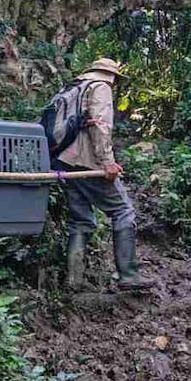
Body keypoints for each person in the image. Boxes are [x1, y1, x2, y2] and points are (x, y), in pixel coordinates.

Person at [52, 58, 155, 291]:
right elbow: (100, 125)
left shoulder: (75, 87)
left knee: (80, 220)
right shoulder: (101, 87)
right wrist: (108, 162)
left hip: (63, 162)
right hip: (87, 163)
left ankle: (73, 281)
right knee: (123, 210)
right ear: (113, 77)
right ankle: (128, 275)